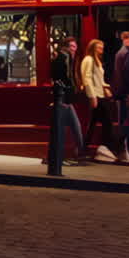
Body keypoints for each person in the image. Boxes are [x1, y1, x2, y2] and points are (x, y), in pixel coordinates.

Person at [81, 39, 129, 163]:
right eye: (99, 47)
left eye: (102, 47)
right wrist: (92, 97)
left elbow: (98, 79)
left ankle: (86, 149)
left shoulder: (96, 60)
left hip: (100, 95)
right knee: (106, 123)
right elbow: (87, 79)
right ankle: (109, 148)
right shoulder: (89, 60)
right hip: (96, 97)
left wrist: (105, 87)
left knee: (94, 124)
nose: (101, 50)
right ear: (93, 47)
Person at [46, 37, 86, 165]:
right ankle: (62, 158)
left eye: (75, 47)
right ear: (66, 47)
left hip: (64, 99)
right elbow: (64, 78)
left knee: (69, 127)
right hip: (63, 99)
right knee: (66, 128)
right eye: (73, 47)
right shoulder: (64, 57)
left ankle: (77, 154)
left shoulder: (63, 57)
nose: (75, 50)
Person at [112, 31, 129, 152]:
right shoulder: (127, 54)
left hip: (120, 93)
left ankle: (122, 147)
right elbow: (128, 75)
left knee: (122, 121)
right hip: (127, 94)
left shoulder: (119, 53)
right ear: (126, 40)